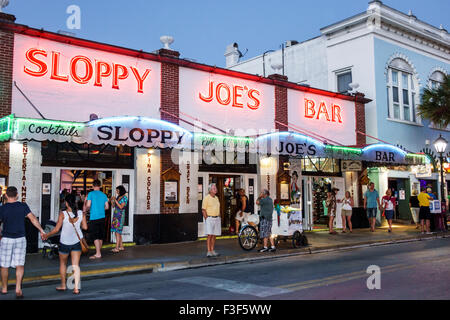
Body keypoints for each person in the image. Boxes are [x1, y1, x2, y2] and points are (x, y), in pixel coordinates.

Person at [0, 186, 45, 299]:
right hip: (20, 239)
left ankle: (4, 288)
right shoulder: (22, 206)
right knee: (20, 265)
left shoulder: (2, 208)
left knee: (4, 265)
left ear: (6, 196)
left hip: (6, 239)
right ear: (17, 195)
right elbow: (33, 219)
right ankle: (18, 288)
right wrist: (41, 230)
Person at [43, 194, 87, 294]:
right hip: (76, 242)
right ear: (75, 202)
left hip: (65, 243)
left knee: (63, 264)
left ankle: (63, 285)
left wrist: (47, 235)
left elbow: (56, 229)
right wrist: (78, 222)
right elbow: (85, 228)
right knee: (75, 265)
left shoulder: (63, 214)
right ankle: (76, 288)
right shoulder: (81, 213)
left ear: (66, 203)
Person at [84, 180, 109, 260]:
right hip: (102, 217)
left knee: (95, 236)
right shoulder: (104, 195)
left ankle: (98, 253)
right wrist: (101, 209)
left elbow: (88, 205)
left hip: (94, 217)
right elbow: (107, 207)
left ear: (92, 186)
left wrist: (86, 209)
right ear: (100, 186)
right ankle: (98, 252)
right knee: (100, 236)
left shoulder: (91, 194)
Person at [202, 183, 221, 257]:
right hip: (210, 218)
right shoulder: (206, 198)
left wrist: (219, 217)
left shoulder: (216, 198)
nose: (215, 189)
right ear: (210, 190)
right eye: (214, 188)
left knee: (214, 235)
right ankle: (208, 251)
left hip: (217, 218)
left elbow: (218, 208)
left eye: (215, 188)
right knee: (209, 235)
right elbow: (203, 210)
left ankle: (212, 250)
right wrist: (207, 219)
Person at [110, 185, 128, 253]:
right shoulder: (118, 197)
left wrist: (116, 201)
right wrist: (112, 200)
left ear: (121, 190)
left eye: (118, 190)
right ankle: (121, 246)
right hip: (116, 215)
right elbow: (113, 206)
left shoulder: (124, 198)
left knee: (117, 232)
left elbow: (121, 207)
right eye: (116, 190)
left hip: (120, 215)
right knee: (117, 232)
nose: (117, 192)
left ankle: (117, 248)